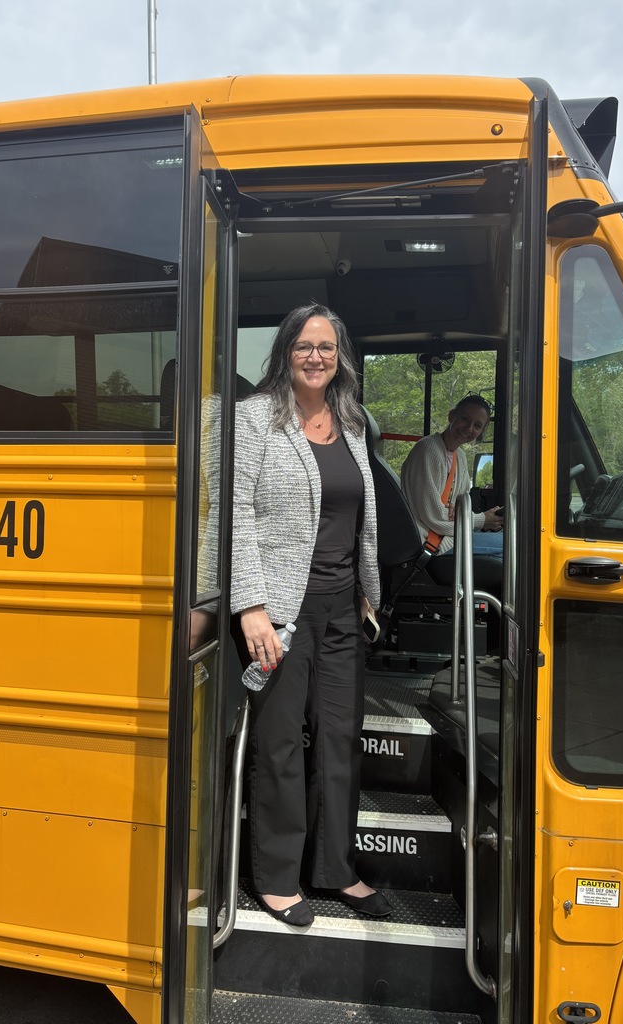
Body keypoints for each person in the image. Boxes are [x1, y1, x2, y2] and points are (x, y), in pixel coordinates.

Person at [231, 302, 390, 926]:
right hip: (279, 611)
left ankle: (335, 869)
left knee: (340, 739)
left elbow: (359, 521)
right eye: (305, 346)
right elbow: (236, 517)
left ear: (340, 356)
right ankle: (275, 877)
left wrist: (365, 592)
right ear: (286, 353)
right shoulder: (254, 421)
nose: (316, 357)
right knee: (278, 744)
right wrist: (251, 609)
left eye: (327, 346)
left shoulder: (353, 424)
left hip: (343, 608)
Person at [401, 393, 503, 557]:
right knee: (511, 544)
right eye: (464, 419)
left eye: (477, 426)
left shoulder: (460, 457)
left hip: (449, 535)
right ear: (451, 416)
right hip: (431, 541)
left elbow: (457, 507)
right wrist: (482, 520)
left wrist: (463, 513)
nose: (469, 428)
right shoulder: (428, 450)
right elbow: (433, 516)